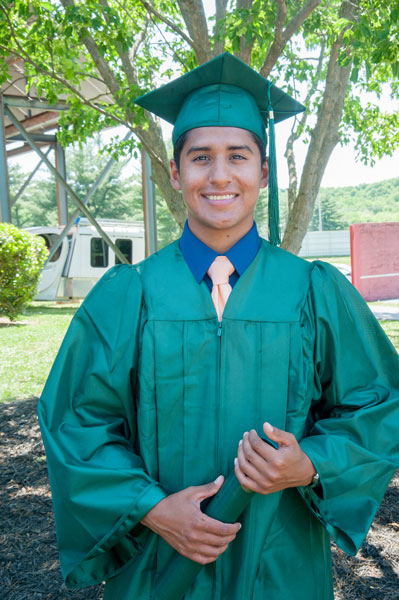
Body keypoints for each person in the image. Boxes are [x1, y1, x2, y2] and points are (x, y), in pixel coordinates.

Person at [38, 53, 399, 600]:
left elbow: (376, 404)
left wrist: (310, 464)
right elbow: (78, 423)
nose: (220, 175)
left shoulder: (314, 291)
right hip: (159, 561)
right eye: (201, 157)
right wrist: (152, 508)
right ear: (177, 171)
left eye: (239, 156)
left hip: (281, 563)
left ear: (262, 171)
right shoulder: (127, 295)